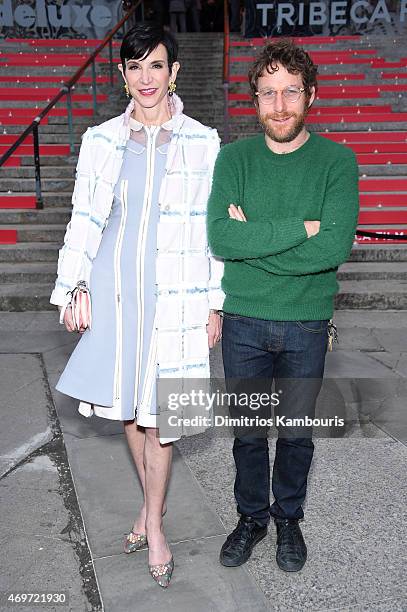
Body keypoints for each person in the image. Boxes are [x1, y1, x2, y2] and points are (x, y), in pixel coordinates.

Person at [50, 22, 223, 588]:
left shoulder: (204, 141)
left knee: (165, 415)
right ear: (121, 76)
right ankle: (153, 511)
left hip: (176, 291)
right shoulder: (99, 141)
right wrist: (73, 285)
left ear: (174, 71)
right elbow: (84, 220)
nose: (145, 78)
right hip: (114, 288)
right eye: (134, 67)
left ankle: (153, 522)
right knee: (128, 407)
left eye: (156, 66)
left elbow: (211, 230)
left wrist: (216, 303)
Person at [207, 39, 359, 572]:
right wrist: (301, 231)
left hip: (306, 325)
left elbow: (334, 248)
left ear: (310, 95)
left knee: (295, 433)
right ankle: (252, 518)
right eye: (268, 93)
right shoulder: (234, 158)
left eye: (290, 92)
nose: (279, 105)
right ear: (254, 100)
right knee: (248, 434)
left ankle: (288, 518)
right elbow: (223, 239)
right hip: (244, 322)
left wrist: (259, 244)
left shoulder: (338, 162)